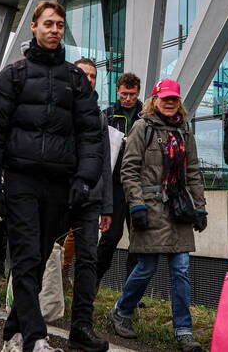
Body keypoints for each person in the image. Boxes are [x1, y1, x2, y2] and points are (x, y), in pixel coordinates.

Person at [0, 0, 104, 352]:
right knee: (26, 256)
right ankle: (35, 337)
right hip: (20, 179)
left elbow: (89, 134)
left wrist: (85, 179)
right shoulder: (13, 75)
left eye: (59, 25)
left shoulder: (75, 79)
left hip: (60, 184)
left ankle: (13, 332)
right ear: (34, 28)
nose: (54, 30)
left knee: (37, 257)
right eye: (47, 24)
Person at [109, 78, 206, 352]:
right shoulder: (143, 128)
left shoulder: (185, 132)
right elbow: (129, 170)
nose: (170, 102)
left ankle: (184, 331)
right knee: (146, 267)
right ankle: (122, 311)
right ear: (155, 99)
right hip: (150, 209)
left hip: (179, 211)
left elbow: (194, 173)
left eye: (174, 98)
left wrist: (200, 207)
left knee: (182, 269)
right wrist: (136, 205)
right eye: (165, 98)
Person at [67, 58, 114, 352]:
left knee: (87, 262)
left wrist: (107, 207)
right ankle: (25, 319)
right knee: (41, 255)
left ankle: (81, 327)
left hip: (91, 201)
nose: (89, 79)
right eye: (83, 74)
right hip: (59, 196)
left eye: (94, 75)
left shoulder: (99, 117)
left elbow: (106, 164)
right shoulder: (58, 107)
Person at [96, 72, 142, 284]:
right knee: (110, 238)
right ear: (117, 91)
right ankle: (93, 283)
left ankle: (130, 293)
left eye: (132, 94)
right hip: (114, 185)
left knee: (138, 241)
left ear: (138, 93)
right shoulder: (108, 115)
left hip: (138, 186)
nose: (128, 99)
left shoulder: (145, 116)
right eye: (124, 94)